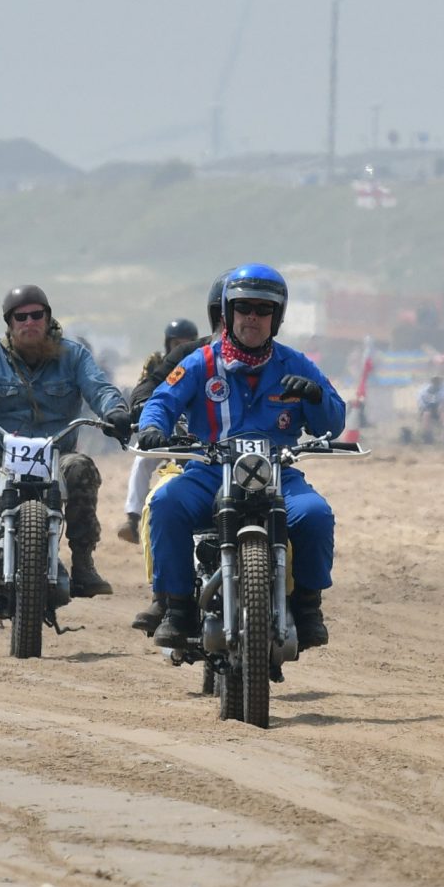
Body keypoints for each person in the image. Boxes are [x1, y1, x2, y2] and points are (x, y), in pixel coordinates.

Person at [136, 263, 345, 649]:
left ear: (276, 318)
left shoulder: (296, 363)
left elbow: (333, 421)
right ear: (227, 314)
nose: (253, 317)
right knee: (165, 503)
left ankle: (308, 605)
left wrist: (317, 398)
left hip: (278, 474)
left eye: (263, 310)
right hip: (211, 471)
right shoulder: (200, 361)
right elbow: (162, 400)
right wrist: (153, 427)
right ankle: (177, 606)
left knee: (316, 514)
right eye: (244, 308)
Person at [0, 284, 130, 598]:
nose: (29, 323)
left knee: (81, 468)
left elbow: (99, 388)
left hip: (58, 453)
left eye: (36, 315)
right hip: (2, 455)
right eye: (20, 317)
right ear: (9, 323)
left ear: (48, 318)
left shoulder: (74, 355)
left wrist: (115, 410)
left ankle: (83, 563)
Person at [117, 314, 208, 545]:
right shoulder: (157, 363)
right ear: (168, 343)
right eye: (177, 344)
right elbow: (145, 389)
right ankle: (132, 517)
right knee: (141, 458)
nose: (181, 348)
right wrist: (143, 411)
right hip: (164, 426)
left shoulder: (204, 360)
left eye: (186, 342)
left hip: (197, 429)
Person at [414, 375, 444, 447]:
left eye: (438, 381)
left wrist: (443, 406)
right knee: (426, 414)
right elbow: (420, 403)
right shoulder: (424, 390)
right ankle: (427, 437)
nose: (436, 383)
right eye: (435, 381)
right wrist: (424, 408)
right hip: (427, 408)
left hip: (439, 408)